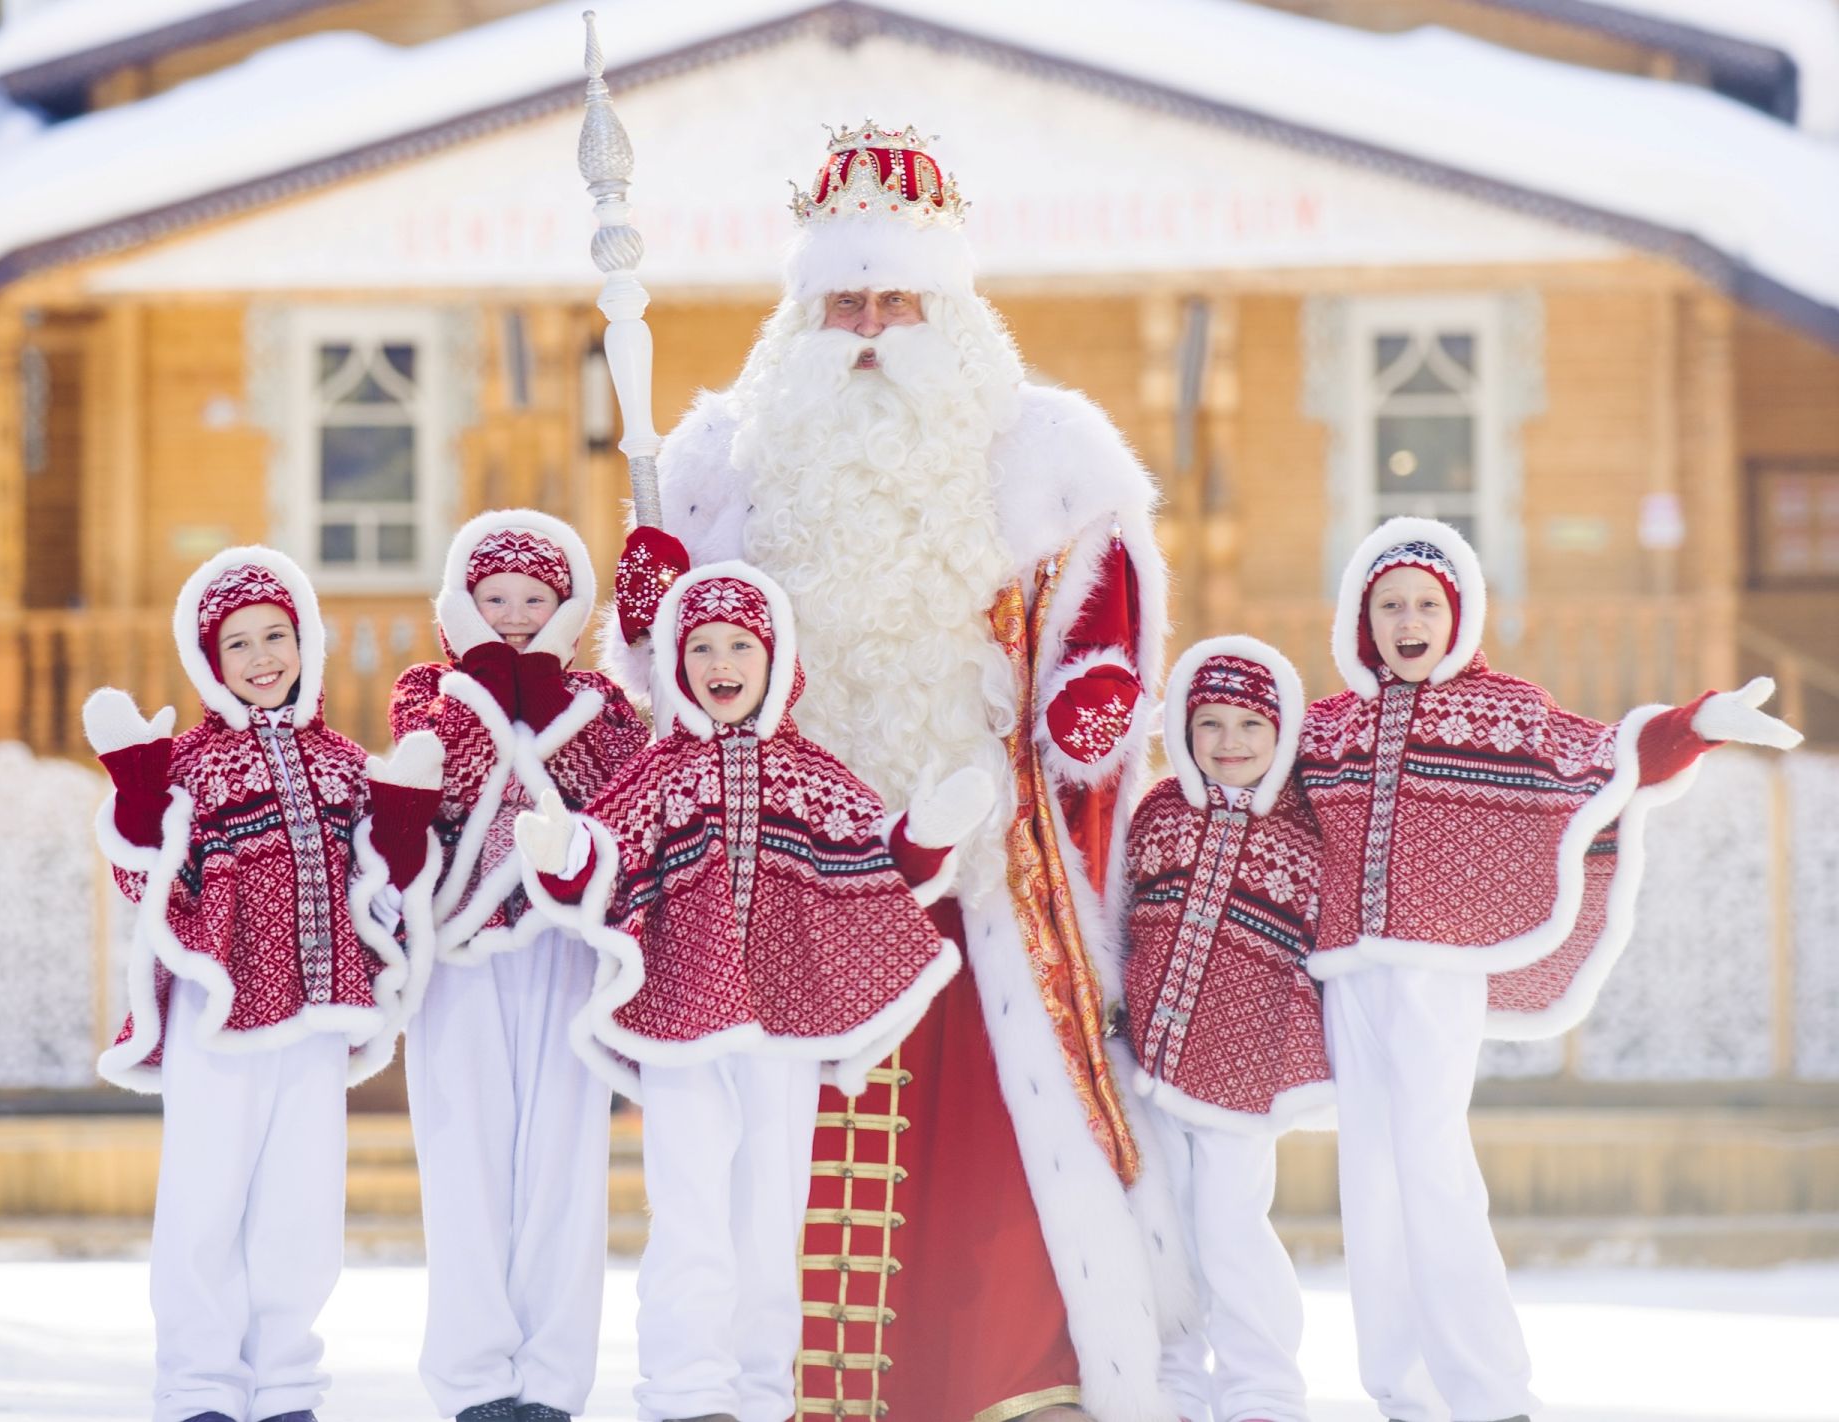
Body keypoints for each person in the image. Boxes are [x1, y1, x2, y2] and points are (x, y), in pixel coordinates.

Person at [611, 121, 1184, 1422]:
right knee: (778, 1159)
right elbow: (666, 688)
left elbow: (1106, 625)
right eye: (845, 301)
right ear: (804, 312)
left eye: (897, 300)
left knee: (988, 1158)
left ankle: (998, 1378)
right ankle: (775, 1381)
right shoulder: (716, 463)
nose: (869, 328)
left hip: (975, 867)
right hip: (782, 884)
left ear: (952, 306)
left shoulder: (1051, 455)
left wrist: (1087, 704)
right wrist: (643, 614)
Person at [1296, 516, 1804, 1422]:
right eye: (1388, 606)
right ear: (1359, 620)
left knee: (1431, 1166)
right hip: (1344, 974)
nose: (1408, 620)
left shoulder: (1504, 711)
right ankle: (1403, 1394)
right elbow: (1258, 797)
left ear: (1457, 615)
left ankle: (1490, 1395)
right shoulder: (1327, 727)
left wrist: (1695, 725)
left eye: (1426, 604)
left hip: (1434, 975)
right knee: (1369, 1185)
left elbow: (1601, 759)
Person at [518, 561, 987, 1422]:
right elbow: (606, 861)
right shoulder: (659, 773)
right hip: (682, 1018)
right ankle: (688, 1391)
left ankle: (763, 1393)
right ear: (676, 660)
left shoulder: (813, 775)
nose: (721, 660)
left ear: (776, 660)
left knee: (771, 1214)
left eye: (741, 644)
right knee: (691, 1206)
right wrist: (563, 852)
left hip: (785, 1021)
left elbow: (877, 863)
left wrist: (925, 835)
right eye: (701, 646)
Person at [84, 546, 440, 1422]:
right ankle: (200, 1384)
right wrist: (136, 791)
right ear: (209, 662)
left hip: (317, 1012)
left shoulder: (343, 763)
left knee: (301, 1206)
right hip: (221, 1010)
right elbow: (143, 880)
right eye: (237, 643)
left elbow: (384, 885)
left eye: (276, 634)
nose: (261, 656)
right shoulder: (190, 765)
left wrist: (400, 828)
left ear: (306, 641)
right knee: (208, 1196)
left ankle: (285, 1381)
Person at [380, 510, 648, 1422]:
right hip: (458, 948)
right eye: (495, 601)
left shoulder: (604, 704)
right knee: (463, 1156)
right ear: (461, 602)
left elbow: (615, 793)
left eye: (537, 601)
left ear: (569, 608)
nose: (516, 618)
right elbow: (446, 779)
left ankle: (550, 1381)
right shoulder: (428, 689)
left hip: (563, 945)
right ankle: (473, 1377)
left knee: (563, 1161)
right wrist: (497, 692)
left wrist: (546, 693)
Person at [1120, 637, 1333, 1422]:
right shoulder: (1157, 815)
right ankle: (1174, 1380)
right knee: (1162, 1226)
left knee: (1232, 1228)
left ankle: (1263, 1388)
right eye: (1210, 723)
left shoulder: (1304, 831)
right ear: (1182, 728)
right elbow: (1122, 918)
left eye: (1251, 724)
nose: (1231, 742)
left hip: (1245, 1067)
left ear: (1281, 732)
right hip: (1151, 1057)